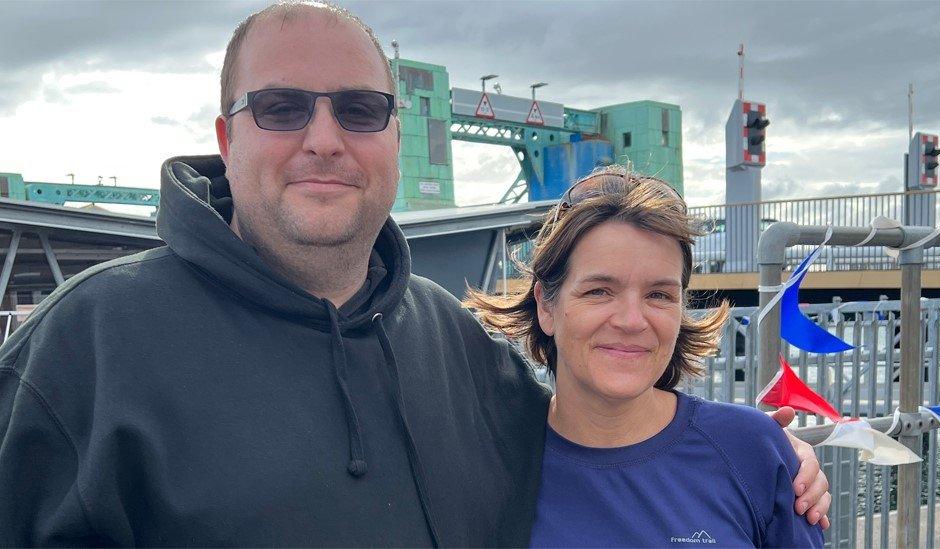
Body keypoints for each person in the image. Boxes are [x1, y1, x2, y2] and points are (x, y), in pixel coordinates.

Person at [0, 1, 828, 545]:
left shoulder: (454, 343)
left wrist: (768, 452)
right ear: (227, 137)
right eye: (283, 107)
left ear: (395, 139)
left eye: (359, 110)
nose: (324, 138)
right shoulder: (83, 351)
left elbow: (599, 421)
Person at [468, 168, 825, 547]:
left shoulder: (754, 452)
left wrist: (775, 447)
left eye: (659, 295)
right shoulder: (488, 467)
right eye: (599, 291)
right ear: (546, 306)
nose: (632, 321)